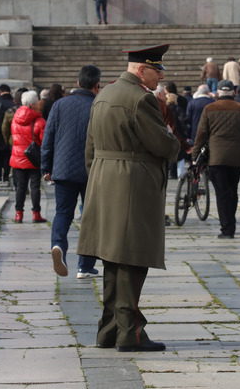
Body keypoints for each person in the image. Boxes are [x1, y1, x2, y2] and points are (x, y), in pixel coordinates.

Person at [76, 44, 180, 352]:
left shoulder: (104, 95)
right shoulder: (140, 98)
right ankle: (131, 333)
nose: (160, 76)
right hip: (132, 185)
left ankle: (109, 330)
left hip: (104, 181)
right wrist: (173, 140)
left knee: (113, 259)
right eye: (156, 70)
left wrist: (99, 178)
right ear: (141, 69)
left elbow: (90, 149)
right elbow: (162, 145)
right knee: (132, 261)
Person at [42, 66, 102, 278]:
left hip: (63, 169)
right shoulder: (98, 105)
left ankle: (58, 245)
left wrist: (46, 167)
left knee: (63, 212)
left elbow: (48, 138)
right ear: (97, 85)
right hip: (92, 170)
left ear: (77, 83)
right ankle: (85, 265)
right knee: (91, 216)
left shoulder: (59, 105)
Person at [191, 79, 240, 239]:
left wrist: (194, 155)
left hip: (216, 158)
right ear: (233, 92)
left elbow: (201, 134)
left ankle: (227, 228)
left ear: (217, 93)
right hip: (237, 158)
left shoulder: (209, 109)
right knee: (232, 191)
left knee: (222, 192)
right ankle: (230, 224)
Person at [9, 91, 47, 223]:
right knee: (35, 186)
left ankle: (18, 214)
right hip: (33, 158)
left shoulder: (16, 118)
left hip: (18, 157)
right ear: (32, 104)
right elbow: (44, 141)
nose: (38, 103)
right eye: (37, 100)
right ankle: (36, 213)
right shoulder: (40, 121)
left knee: (21, 186)